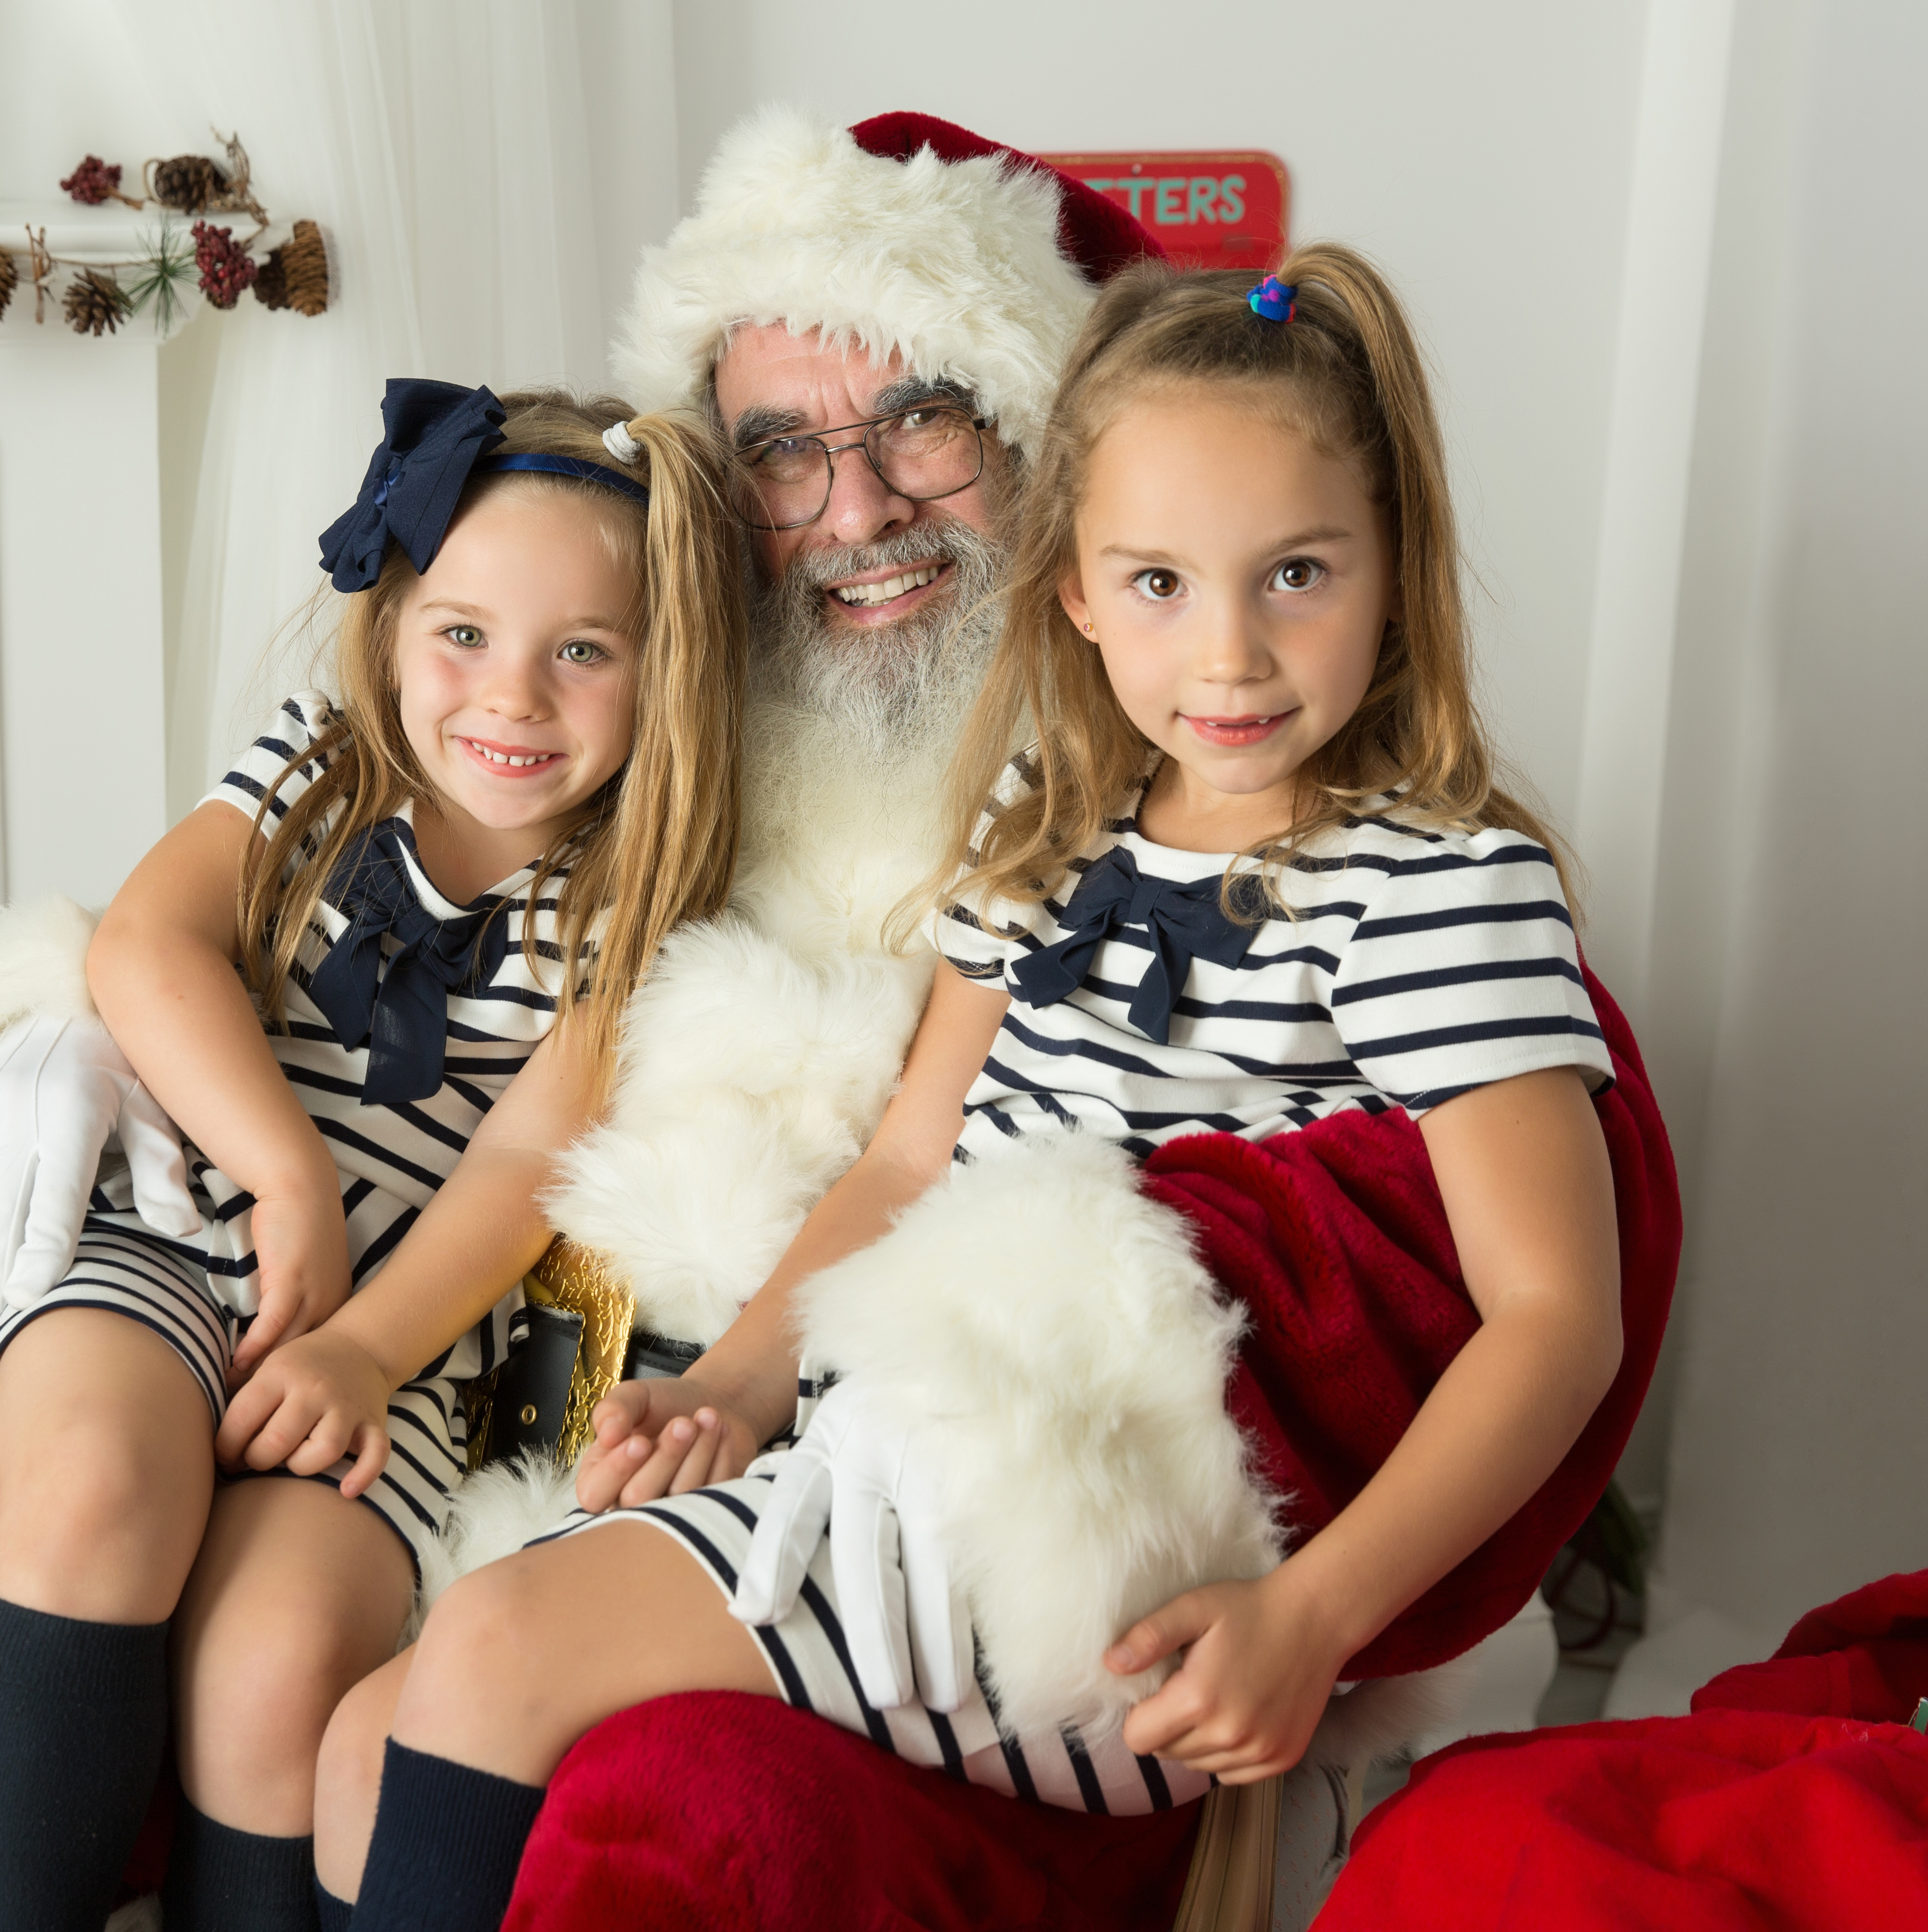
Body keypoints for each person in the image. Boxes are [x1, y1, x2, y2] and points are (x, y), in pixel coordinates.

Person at [330, 249, 1628, 1932]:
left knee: (499, 1652)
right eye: (1159, 583)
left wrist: (1313, 1619)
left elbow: (1557, 1320)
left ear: (1395, 569)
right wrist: (731, 1385)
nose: (1227, 654)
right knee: (371, 1736)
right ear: (1074, 588)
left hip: (1093, 1527)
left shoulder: (1438, 886)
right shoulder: (1046, 829)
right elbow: (903, 1162)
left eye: (1295, 574)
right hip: (893, 1454)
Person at [0, 385, 749, 1932]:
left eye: (584, 651)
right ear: (387, 627)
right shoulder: (318, 773)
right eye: (462, 635)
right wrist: (287, 1176)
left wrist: (365, 1346)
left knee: (277, 1657)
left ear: (662, 674)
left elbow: (522, 1168)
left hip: (407, 1330)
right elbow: (146, 944)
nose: (513, 698)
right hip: (176, 1230)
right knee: (104, 1478)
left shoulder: (632, 895)